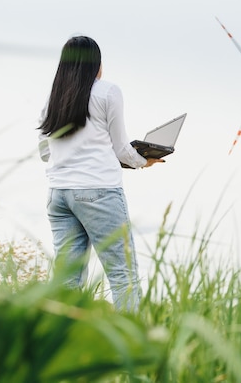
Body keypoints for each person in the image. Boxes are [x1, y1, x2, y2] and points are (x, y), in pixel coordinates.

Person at [37, 35, 164, 312]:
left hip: (59, 195)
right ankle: (130, 345)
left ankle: (62, 344)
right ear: (96, 64)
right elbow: (120, 148)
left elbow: (45, 151)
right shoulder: (108, 92)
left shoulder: (53, 98)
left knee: (67, 281)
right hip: (99, 193)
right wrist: (142, 160)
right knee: (123, 275)